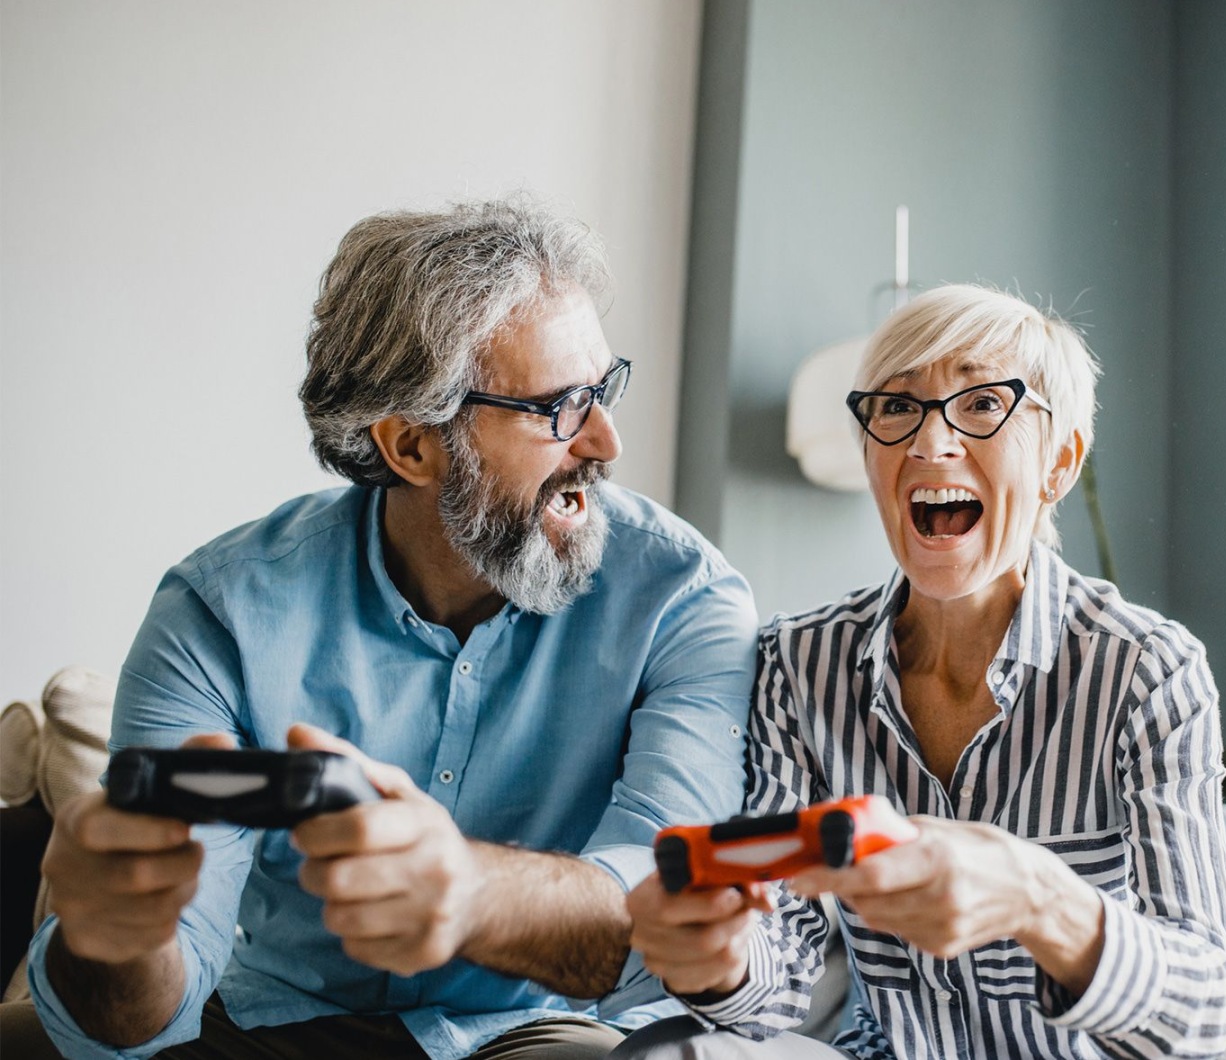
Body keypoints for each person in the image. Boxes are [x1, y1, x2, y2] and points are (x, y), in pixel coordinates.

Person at [0, 200, 758, 1059]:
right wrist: (113, 941)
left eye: (604, 388)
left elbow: (666, 920)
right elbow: (146, 1006)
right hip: (275, 1021)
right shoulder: (222, 610)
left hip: (538, 1030)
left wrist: (471, 893)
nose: (607, 440)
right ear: (409, 446)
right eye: (559, 407)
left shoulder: (684, 601)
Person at [623, 284, 1226, 1058]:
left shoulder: (1146, 673)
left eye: (983, 404)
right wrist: (719, 963)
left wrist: (1041, 899)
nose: (930, 444)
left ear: (1059, 462)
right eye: (897, 408)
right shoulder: (799, 663)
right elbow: (782, 970)